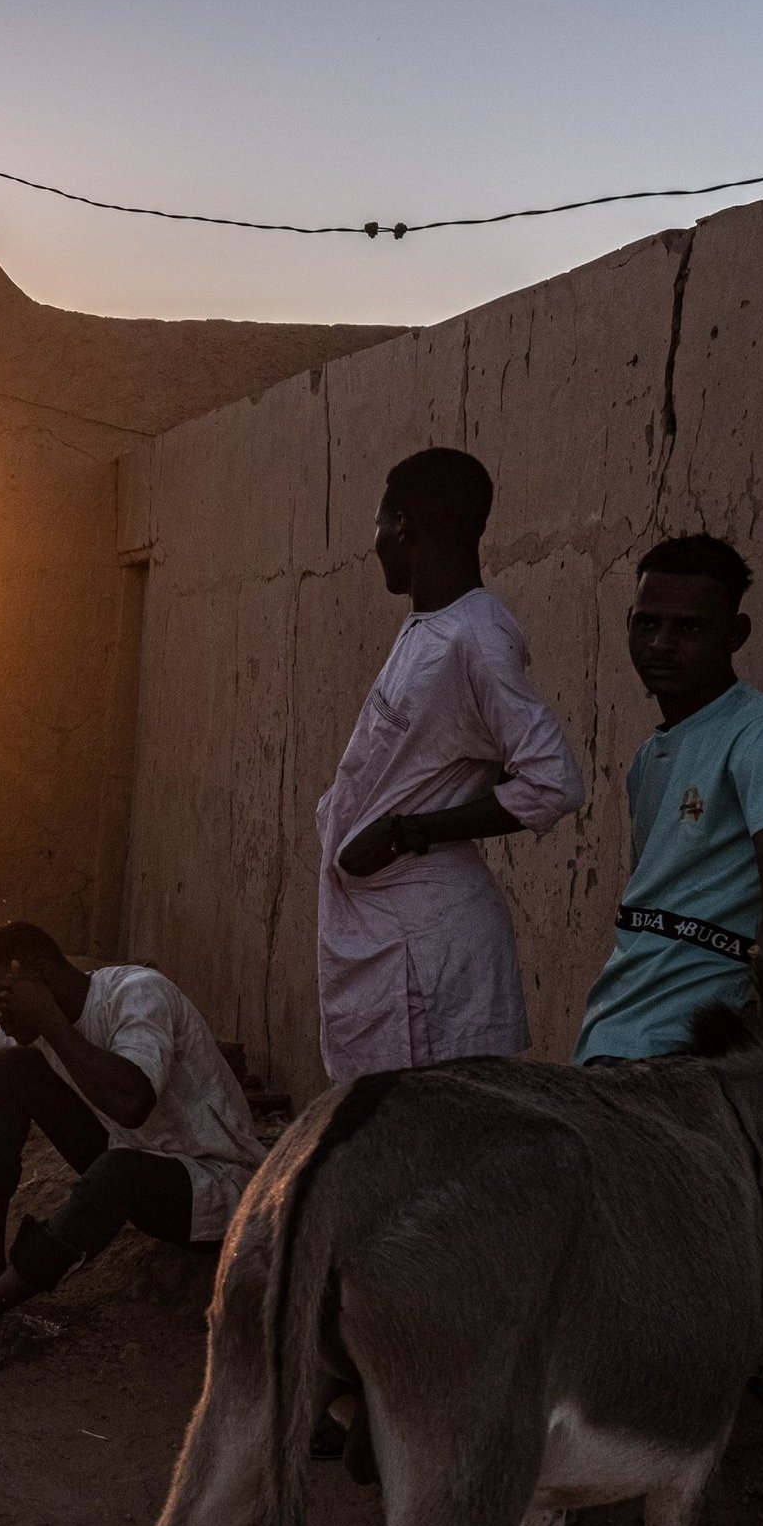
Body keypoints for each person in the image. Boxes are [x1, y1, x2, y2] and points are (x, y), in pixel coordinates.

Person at [0, 921, 266, 1379]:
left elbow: (130, 1103)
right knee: (10, 1068)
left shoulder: (139, 996)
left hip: (220, 1190)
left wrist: (49, 1020)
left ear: (38, 978)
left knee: (119, 1170)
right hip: (133, 1158)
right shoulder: (41, 1018)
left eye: (1, 1000)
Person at [313, 448, 584, 1080]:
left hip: (429, 949)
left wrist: (414, 830)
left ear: (404, 524)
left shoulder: (478, 637)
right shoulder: (429, 625)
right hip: (388, 938)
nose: (375, 541)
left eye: (379, 523)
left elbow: (553, 781)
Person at [572, 535, 763, 1063]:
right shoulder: (650, 758)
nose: (661, 643)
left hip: (697, 1049)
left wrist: (756, 1048)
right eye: (647, 623)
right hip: (615, 1031)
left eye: (688, 627)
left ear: (735, 635)